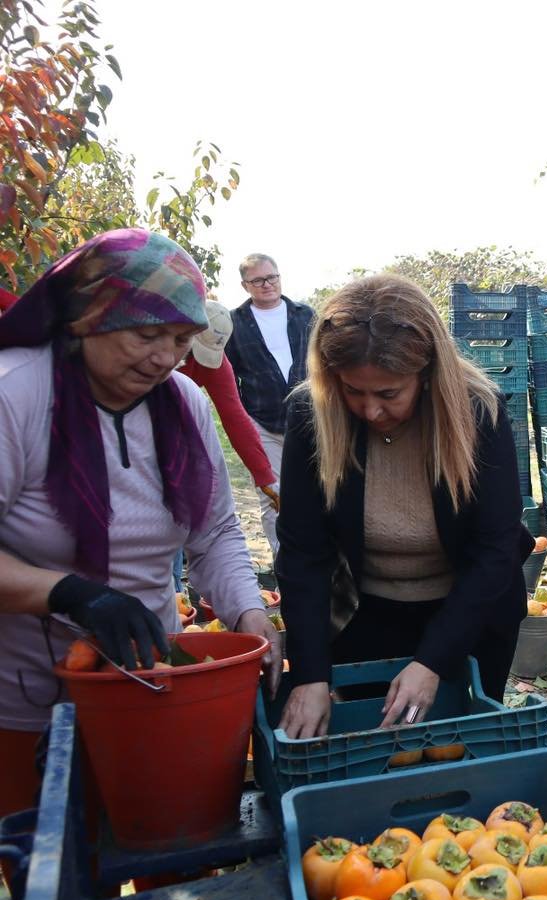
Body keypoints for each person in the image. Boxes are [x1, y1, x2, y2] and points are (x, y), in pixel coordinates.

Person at [0, 229, 281, 823]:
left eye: (180, 340)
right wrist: (70, 593)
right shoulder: (16, 393)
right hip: (22, 694)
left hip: (148, 679)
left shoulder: (184, 403)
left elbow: (215, 535)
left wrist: (249, 615)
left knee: (168, 838)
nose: (165, 358)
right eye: (147, 334)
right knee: (47, 865)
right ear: (88, 316)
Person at [276, 274, 533, 740]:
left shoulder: (478, 413)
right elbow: (302, 551)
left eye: (389, 394)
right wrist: (310, 673)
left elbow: (494, 550)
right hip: (365, 615)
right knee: (381, 746)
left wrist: (434, 660)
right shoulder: (311, 417)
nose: (370, 411)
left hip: (470, 613)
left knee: (457, 744)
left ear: (428, 373)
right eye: (354, 391)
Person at [171, 300, 280, 590]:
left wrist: (266, 479)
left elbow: (234, 416)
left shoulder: (216, 363)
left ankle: (176, 597)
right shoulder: (159, 353)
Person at [225, 253, 315, 560]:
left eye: (272, 277)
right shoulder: (233, 323)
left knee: (315, 491)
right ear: (245, 285)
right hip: (262, 423)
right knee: (272, 495)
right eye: (258, 280)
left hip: (311, 420)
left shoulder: (305, 315)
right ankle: (286, 564)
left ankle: (320, 559)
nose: (267, 285)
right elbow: (226, 375)